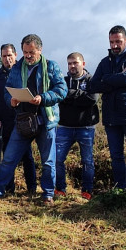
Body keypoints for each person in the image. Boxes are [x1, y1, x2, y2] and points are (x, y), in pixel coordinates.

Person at [0, 34, 66, 205]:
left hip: (45, 120)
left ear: (40, 50)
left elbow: (61, 89)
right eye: (25, 52)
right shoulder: (17, 67)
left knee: (48, 161)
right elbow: (8, 91)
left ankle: (48, 194)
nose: (28, 55)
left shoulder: (51, 66)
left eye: (31, 52)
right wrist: (11, 101)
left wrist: (43, 98)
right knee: (9, 158)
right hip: (23, 120)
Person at [88, 25, 126, 202]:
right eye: (111, 42)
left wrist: (108, 79)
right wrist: (115, 78)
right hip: (111, 116)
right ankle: (121, 194)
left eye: (118, 41)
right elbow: (93, 85)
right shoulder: (105, 62)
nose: (114, 45)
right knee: (116, 156)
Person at [0, 43, 37, 194]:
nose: (7, 59)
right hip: (5, 124)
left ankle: (32, 188)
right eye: (4, 56)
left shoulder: (24, 71)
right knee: (7, 158)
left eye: (9, 55)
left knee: (27, 157)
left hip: (23, 121)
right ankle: (9, 188)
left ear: (15, 55)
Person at [55, 52, 99, 199]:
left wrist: (71, 95)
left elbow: (92, 99)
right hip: (64, 127)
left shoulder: (92, 80)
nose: (72, 66)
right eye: (69, 63)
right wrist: (79, 95)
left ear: (83, 64)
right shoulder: (63, 80)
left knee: (87, 161)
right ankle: (60, 189)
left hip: (86, 127)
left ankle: (87, 191)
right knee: (57, 159)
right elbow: (60, 97)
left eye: (75, 63)